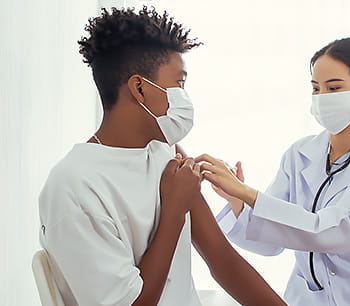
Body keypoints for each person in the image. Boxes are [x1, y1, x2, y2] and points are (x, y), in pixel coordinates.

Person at [38, 6, 286, 306]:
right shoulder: (74, 186)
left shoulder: (164, 154)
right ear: (140, 88)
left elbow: (222, 260)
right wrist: (174, 211)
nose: (185, 95)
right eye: (179, 83)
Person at [196, 38, 350, 305]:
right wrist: (237, 201)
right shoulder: (299, 154)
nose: (321, 98)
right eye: (316, 88)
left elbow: (332, 232)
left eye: (334, 88)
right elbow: (270, 243)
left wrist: (248, 193)